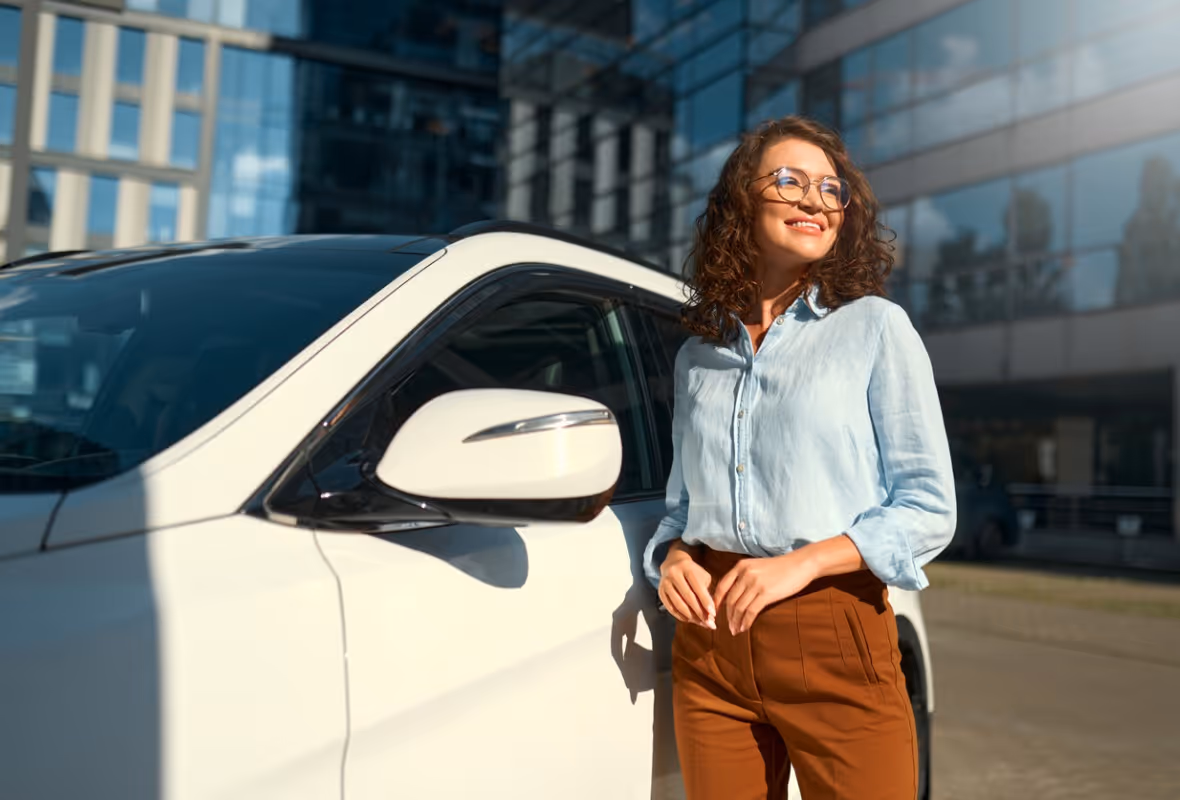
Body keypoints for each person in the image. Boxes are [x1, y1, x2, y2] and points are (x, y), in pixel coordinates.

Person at [643, 115, 957, 800]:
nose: (815, 201)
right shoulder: (697, 355)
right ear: (741, 203)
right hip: (711, 648)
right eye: (789, 181)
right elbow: (681, 507)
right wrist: (673, 557)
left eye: (830, 189)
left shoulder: (876, 328)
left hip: (833, 629)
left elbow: (929, 509)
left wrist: (802, 564)